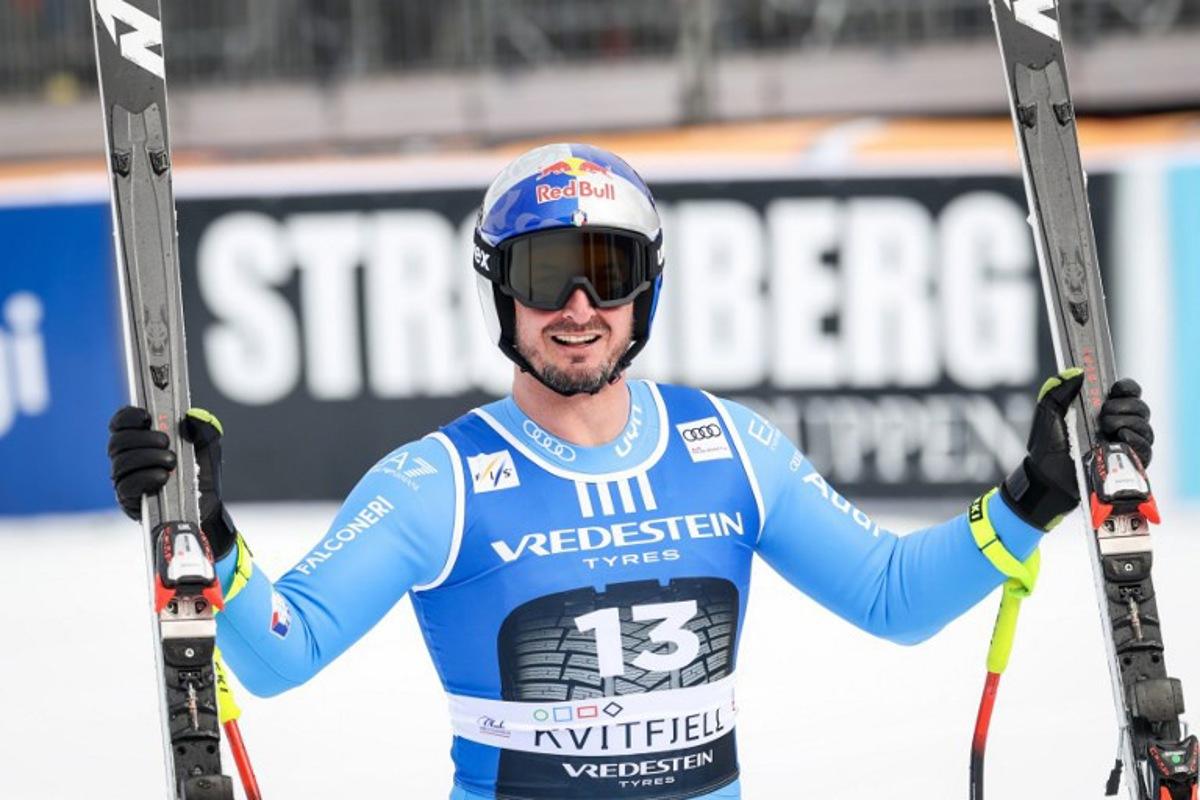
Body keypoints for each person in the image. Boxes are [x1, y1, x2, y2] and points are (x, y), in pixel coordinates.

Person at [107, 143, 1154, 800]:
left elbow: (892, 595)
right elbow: (283, 652)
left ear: (643, 292)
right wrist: (210, 527)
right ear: (502, 295)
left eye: (605, 272)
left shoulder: (729, 445)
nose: (577, 306)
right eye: (544, 273)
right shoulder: (440, 479)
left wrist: (1034, 494)